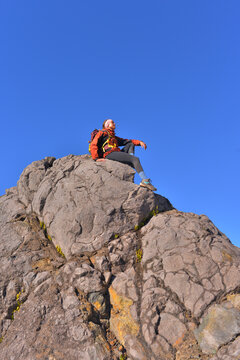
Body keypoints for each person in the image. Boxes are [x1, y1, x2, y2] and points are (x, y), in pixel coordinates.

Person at [90, 119, 157, 191]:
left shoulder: (113, 137)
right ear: (107, 125)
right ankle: (145, 181)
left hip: (116, 153)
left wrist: (139, 142)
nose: (114, 124)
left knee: (130, 144)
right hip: (109, 154)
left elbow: (127, 141)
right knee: (135, 159)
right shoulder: (102, 133)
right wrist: (96, 158)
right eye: (112, 122)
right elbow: (93, 144)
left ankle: (130, 162)